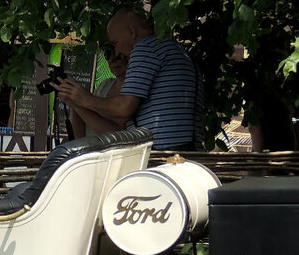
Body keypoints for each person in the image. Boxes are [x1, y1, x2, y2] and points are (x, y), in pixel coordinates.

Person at [56, 9, 204, 151]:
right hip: (187, 150)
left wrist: (85, 99)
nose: (117, 52)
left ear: (132, 32)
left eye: (115, 43)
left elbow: (124, 107)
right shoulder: (174, 48)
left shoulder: (145, 47)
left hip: (163, 152)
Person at [69, 52, 129, 139]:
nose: (112, 60)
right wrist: (74, 103)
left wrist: (82, 103)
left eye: (118, 56)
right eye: (108, 56)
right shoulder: (105, 85)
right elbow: (81, 136)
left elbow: (117, 136)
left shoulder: (134, 91)